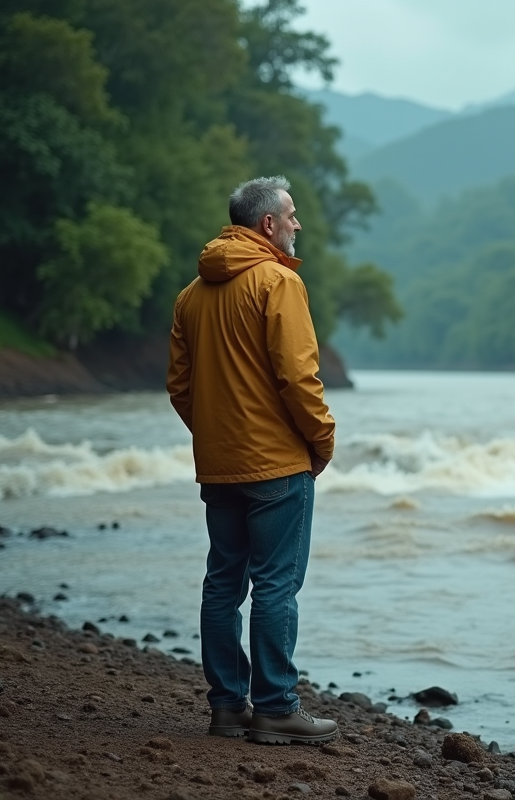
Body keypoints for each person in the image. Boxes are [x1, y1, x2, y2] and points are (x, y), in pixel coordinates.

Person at [166, 175, 337, 745]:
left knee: (222, 584)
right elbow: (298, 377)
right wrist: (323, 440)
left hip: (219, 467)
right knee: (275, 586)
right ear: (267, 224)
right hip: (276, 465)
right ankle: (275, 708)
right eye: (291, 215)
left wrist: (216, 435)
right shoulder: (278, 283)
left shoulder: (191, 294)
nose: (297, 224)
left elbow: (180, 387)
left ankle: (227, 707)